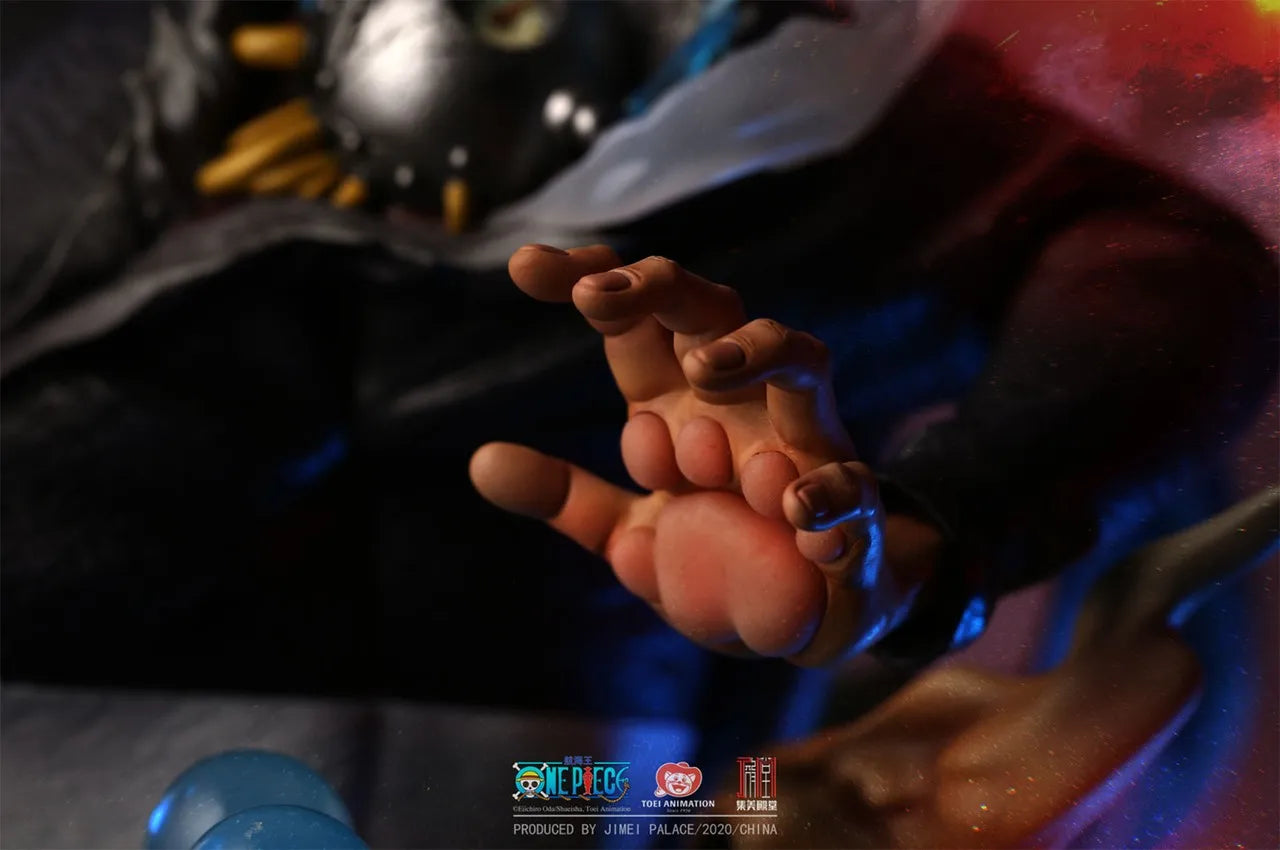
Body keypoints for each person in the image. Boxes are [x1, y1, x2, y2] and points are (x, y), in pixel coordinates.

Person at [1, 0, 1274, 732]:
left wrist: (937, 531)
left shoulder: (848, 114)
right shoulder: (125, 70)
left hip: (547, 771)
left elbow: (1158, 272)